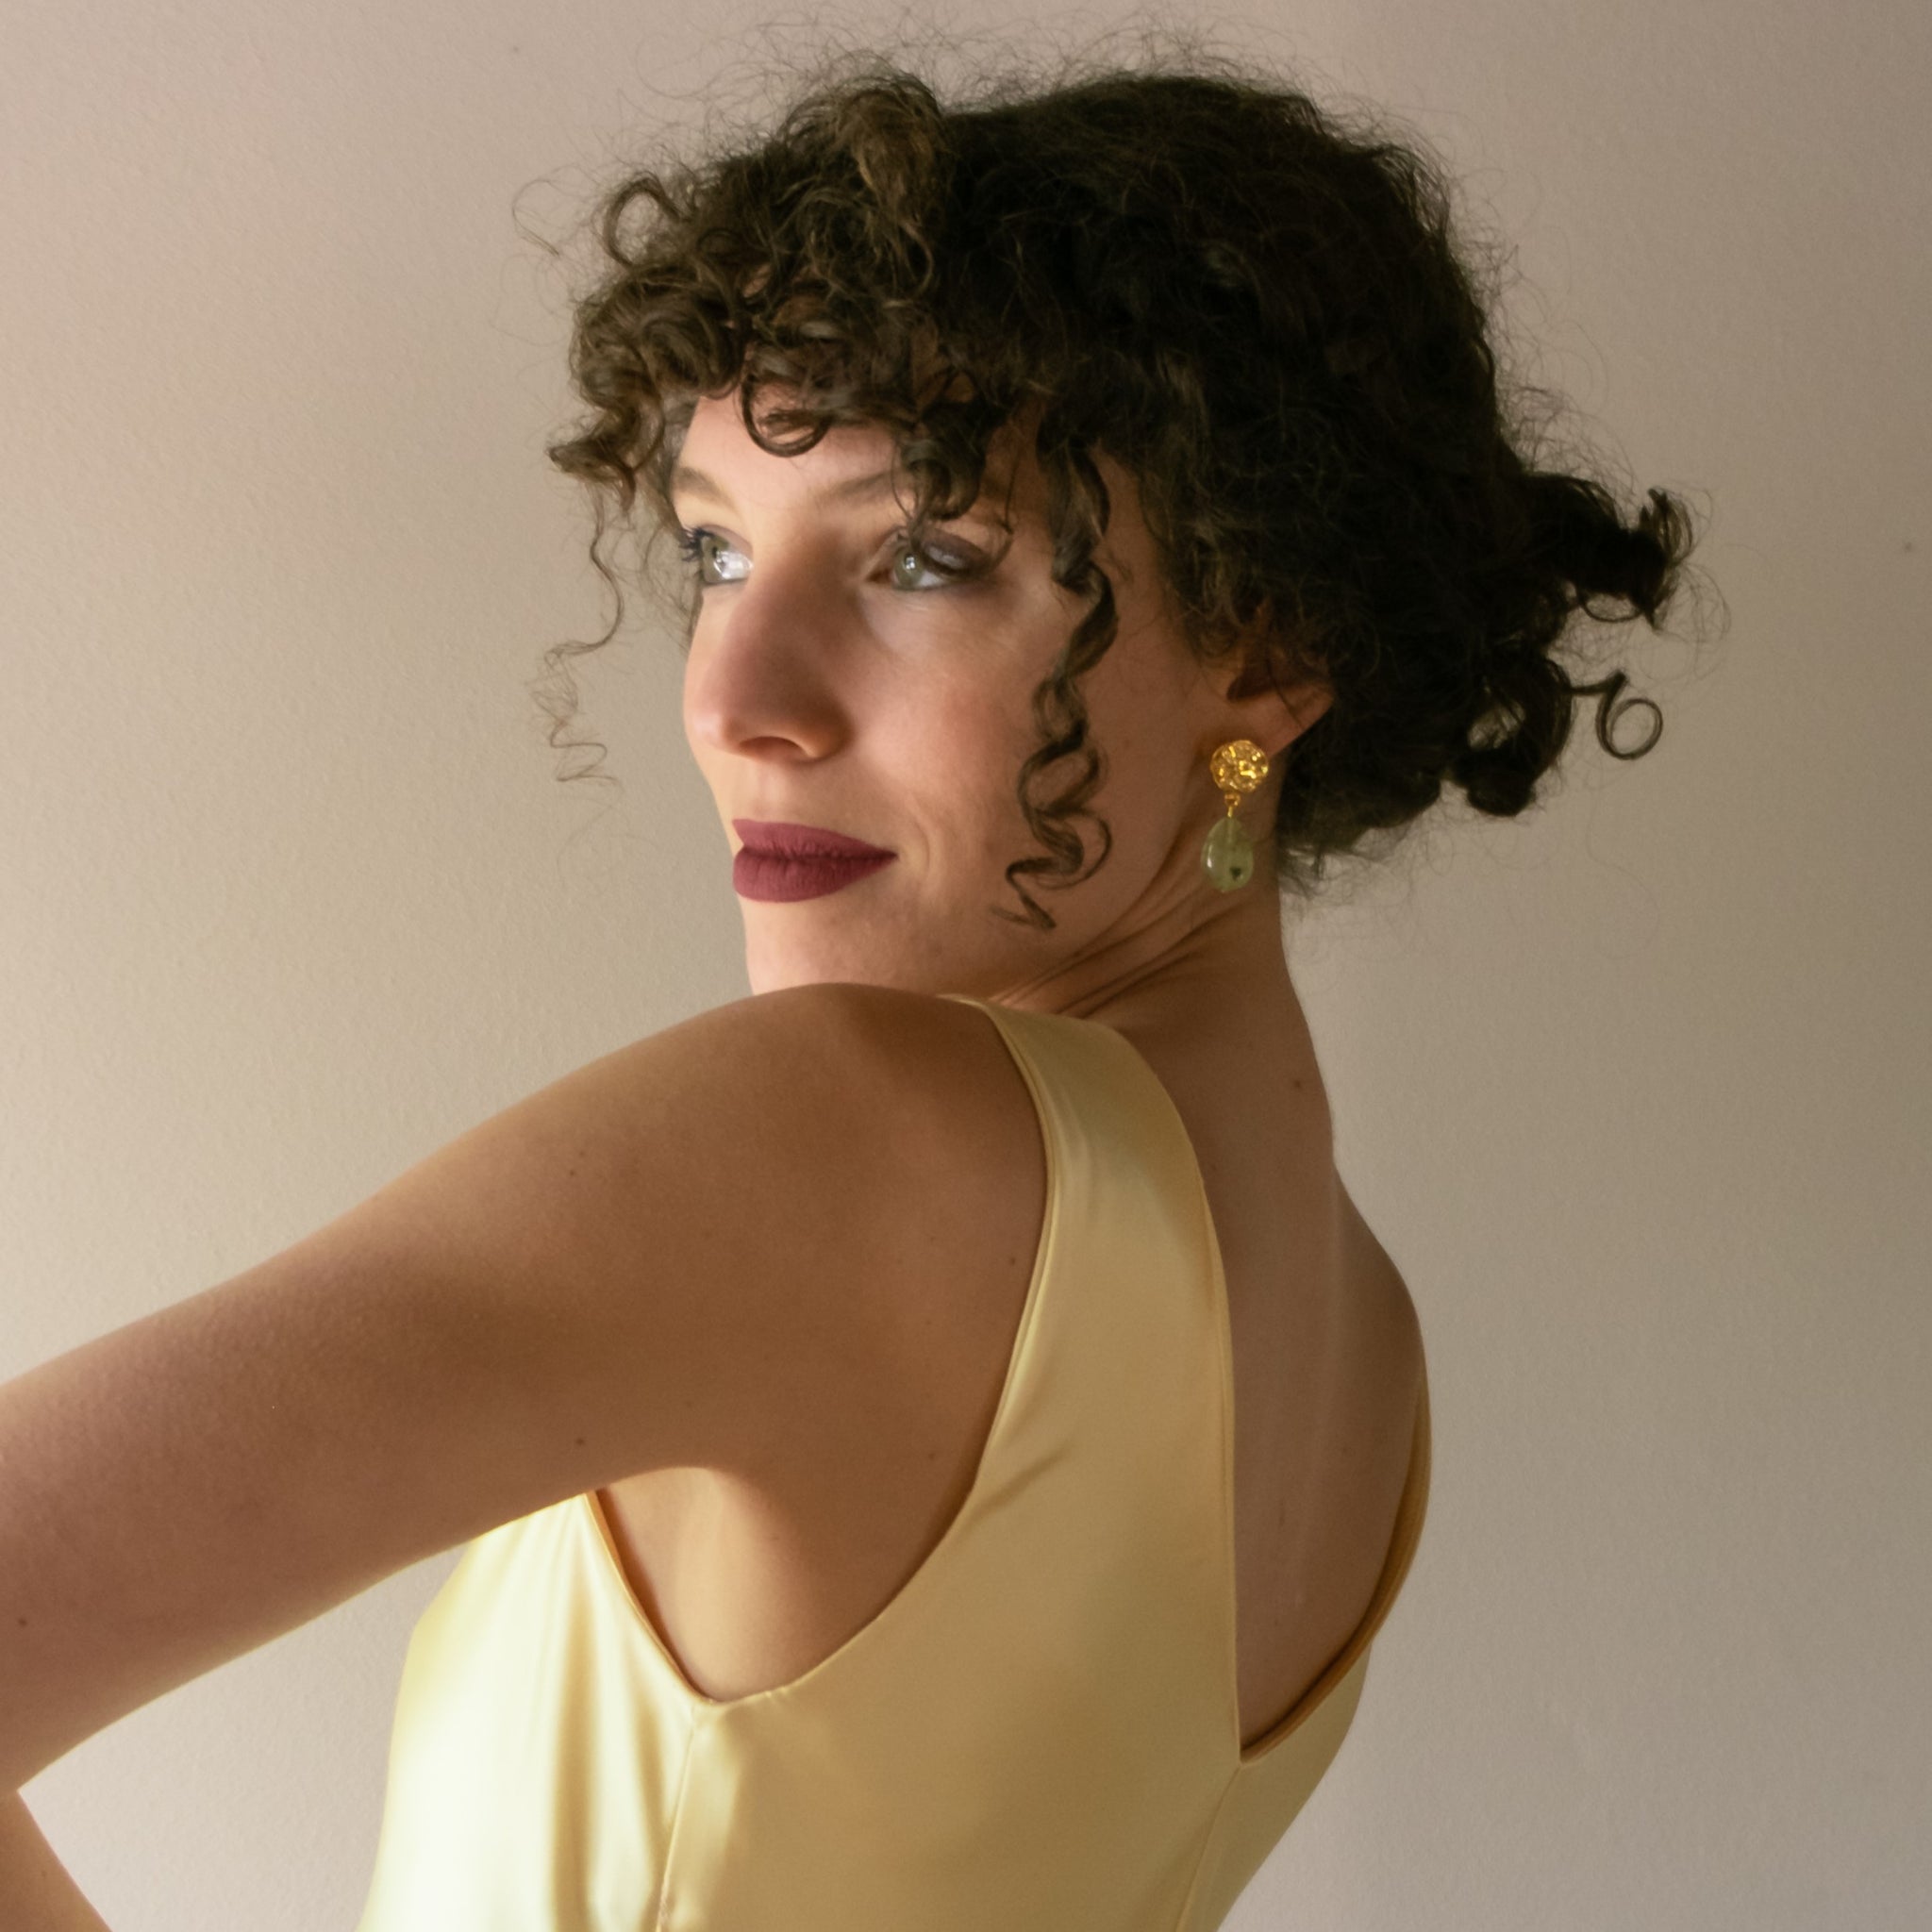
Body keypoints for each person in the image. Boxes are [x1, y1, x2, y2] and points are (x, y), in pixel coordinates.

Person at [0, 42, 1697, 1932]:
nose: (735, 699)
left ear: (1268, 645)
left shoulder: (848, 1138)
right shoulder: (1362, 1348)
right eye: (719, 548)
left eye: (923, 557)